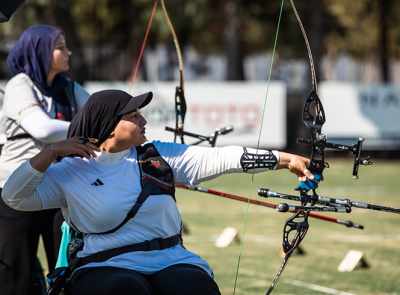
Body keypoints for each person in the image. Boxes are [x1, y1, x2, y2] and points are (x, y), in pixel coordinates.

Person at [2, 89, 317, 295]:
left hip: (171, 259)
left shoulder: (157, 155)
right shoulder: (71, 170)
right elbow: (13, 196)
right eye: (134, 115)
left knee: (196, 289)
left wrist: (284, 158)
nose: (144, 120)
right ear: (110, 126)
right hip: (105, 265)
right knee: (126, 291)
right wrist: (53, 151)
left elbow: (220, 158)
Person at [0, 25, 90, 295]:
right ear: (40, 52)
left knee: (68, 270)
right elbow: (43, 129)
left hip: (60, 189)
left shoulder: (71, 88)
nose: (68, 51)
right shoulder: (20, 85)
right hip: (16, 189)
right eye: (60, 46)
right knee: (15, 275)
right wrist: (89, 129)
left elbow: (103, 113)